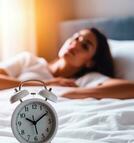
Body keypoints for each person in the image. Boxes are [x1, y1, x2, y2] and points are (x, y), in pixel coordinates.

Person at [0, 28, 134, 99]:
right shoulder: (28, 60)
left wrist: (79, 93)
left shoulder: (84, 81)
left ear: (90, 62)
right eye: (76, 38)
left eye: (85, 46)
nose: (75, 44)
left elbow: (130, 89)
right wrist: (46, 84)